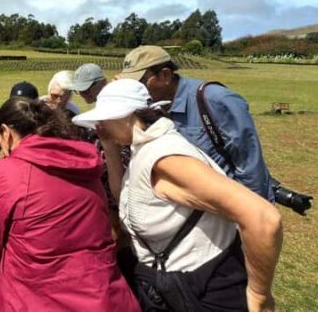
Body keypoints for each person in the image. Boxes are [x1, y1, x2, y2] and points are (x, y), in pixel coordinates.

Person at [73, 79, 283, 311]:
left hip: (205, 290)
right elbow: (128, 198)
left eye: (103, 118)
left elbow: (263, 218)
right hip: (174, 285)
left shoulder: (165, 158)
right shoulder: (142, 147)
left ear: (125, 116)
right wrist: (110, 147)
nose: (99, 125)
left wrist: (258, 294)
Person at [0, 97, 139, 312]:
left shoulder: (6, 171)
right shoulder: (85, 162)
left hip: (33, 294)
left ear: (6, 132)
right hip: (100, 289)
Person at [117, 46, 274, 200]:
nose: (134, 90)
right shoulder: (149, 107)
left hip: (228, 209)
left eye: (139, 83)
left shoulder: (217, 101)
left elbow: (250, 166)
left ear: (164, 75)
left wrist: (252, 213)